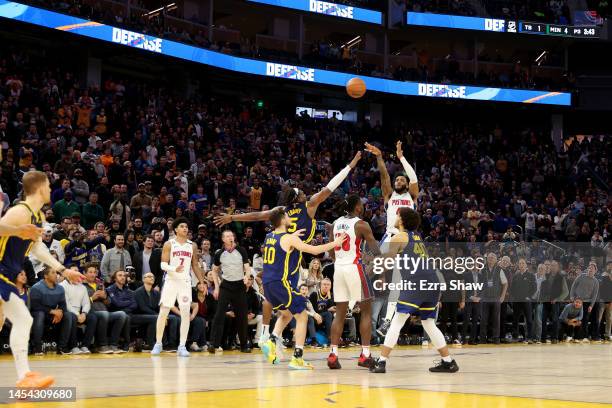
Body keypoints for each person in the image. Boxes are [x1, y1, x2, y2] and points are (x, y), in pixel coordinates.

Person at [214, 151, 361, 347]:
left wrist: (232, 217)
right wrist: (349, 167)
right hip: (292, 255)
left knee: (285, 308)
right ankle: (292, 350)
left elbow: (257, 216)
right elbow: (329, 188)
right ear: (298, 197)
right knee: (297, 310)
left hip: (282, 255)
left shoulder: (280, 212)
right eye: (301, 192)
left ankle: (270, 337)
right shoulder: (308, 206)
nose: (304, 193)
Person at [0, 170, 84, 388]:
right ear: (38, 188)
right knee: (22, 319)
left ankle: (24, 378)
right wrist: (17, 230)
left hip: (7, 276)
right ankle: (24, 377)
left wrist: (63, 271)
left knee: (18, 320)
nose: (50, 189)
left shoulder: (39, 216)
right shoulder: (20, 211)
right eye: (47, 186)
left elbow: (37, 248)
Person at [370, 208, 458, 374]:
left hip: (416, 281)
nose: (395, 217)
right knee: (429, 322)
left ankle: (381, 362)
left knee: (397, 321)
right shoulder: (417, 237)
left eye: (397, 215)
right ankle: (448, 361)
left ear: (401, 219)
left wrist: (371, 259)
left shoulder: (400, 236)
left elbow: (388, 259)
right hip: (432, 281)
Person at [260, 207, 345, 370]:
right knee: (303, 316)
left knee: (286, 314)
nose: (289, 216)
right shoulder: (289, 239)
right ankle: (297, 357)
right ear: (283, 219)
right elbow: (314, 250)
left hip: (269, 284)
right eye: (286, 215)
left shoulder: (269, 236)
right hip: (281, 283)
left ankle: (271, 341)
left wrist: (293, 239)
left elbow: (281, 249)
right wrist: (336, 243)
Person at [364, 142, 419, 337]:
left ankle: (387, 320)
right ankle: (357, 299)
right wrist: (379, 157)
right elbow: (384, 175)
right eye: (398, 179)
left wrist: (401, 157)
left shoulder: (412, 196)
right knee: (371, 268)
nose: (400, 181)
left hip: (406, 238)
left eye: (402, 179)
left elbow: (413, 177)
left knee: (398, 280)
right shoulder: (389, 195)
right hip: (390, 235)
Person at [327, 194, 381, 370]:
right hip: (354, 268)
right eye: (362, 205)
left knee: (340, 314)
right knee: (366, 311)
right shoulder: (361, 224)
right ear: (357, 207)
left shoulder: (334, 224)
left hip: (339, 269)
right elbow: (375, 249)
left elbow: (331, 251)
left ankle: (333, 355)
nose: (363, 208)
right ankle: (365, 355)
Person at [151, 217, 205, 357]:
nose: (185, 228)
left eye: (186, 227)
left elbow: (194, 265)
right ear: (175, 229)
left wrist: (202, 281)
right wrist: (174, 268)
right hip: (170, 280)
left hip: (185, 282)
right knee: (164, 311)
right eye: (182, 226)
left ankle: (182, 346)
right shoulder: (169, 244)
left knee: (186, 313)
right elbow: (163, 264)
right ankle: (158, 343)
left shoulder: (192, 245)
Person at [209, 230, 251, 353]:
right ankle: (213, 344)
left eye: (232, 235)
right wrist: (216, 287)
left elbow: (247, 268)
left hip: (239, 286)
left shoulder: (241, 250)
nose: (230, 238)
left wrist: (246, 276)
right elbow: (215, 270)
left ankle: (244, 345)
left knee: (242, 316)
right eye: (227, 236)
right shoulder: (219, 253)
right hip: (226, 286)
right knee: (219, 315)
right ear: (223, 239)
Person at [83, 264, 129, 353]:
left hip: (105, 312)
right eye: (90, 272)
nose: (93, 274)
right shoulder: (82, 286)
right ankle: (102, 345)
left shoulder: (99, 284)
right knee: (104, 314)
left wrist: (105, 298)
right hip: (91, 313)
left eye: (95, 272)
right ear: (84, 273)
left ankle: (113, 344)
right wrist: (92, 298)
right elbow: (80, 304)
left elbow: (109, 303)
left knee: (122, 314)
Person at [29, 267, 72, 356]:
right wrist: (52, 311)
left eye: (56, 273)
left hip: (52, 314)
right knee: (40, 314)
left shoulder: (60, 288)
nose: (56, 275)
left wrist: (59, 313)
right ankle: (37, 347)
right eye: (53, 273)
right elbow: (35, 306)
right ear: (46, 276)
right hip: (37, 313)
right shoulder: (36, 288)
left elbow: (63, 305)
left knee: (68, 315)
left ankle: (62, 347)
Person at [60, 267, 97, 354]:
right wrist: (77, 314)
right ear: (68, 273)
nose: (77, 273)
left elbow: (86, 303)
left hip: (80, 313)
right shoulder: (62, 286)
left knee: (92, 317)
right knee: (72, 317)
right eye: (74, 271)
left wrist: (84, 313)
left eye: (78, 271)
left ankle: (85, 345)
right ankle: (73, 346)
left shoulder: (82, 287)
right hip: (67, 312)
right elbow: (66, 304)